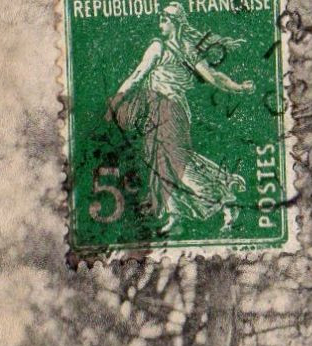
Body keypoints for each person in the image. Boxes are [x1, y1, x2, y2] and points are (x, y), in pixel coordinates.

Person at [106, 3, 256, 234]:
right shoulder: (158, 46)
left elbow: (213, 77)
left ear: (175, 22)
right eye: (160, 19)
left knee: (178, 163)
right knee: (160, 163)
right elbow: (138, 74)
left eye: (164, 20)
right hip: (154, 112)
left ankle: (225, 197)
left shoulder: (184, 49)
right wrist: (118, 97)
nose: (160, 24)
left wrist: (239, 88)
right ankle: (175, 214)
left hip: (172, 111)